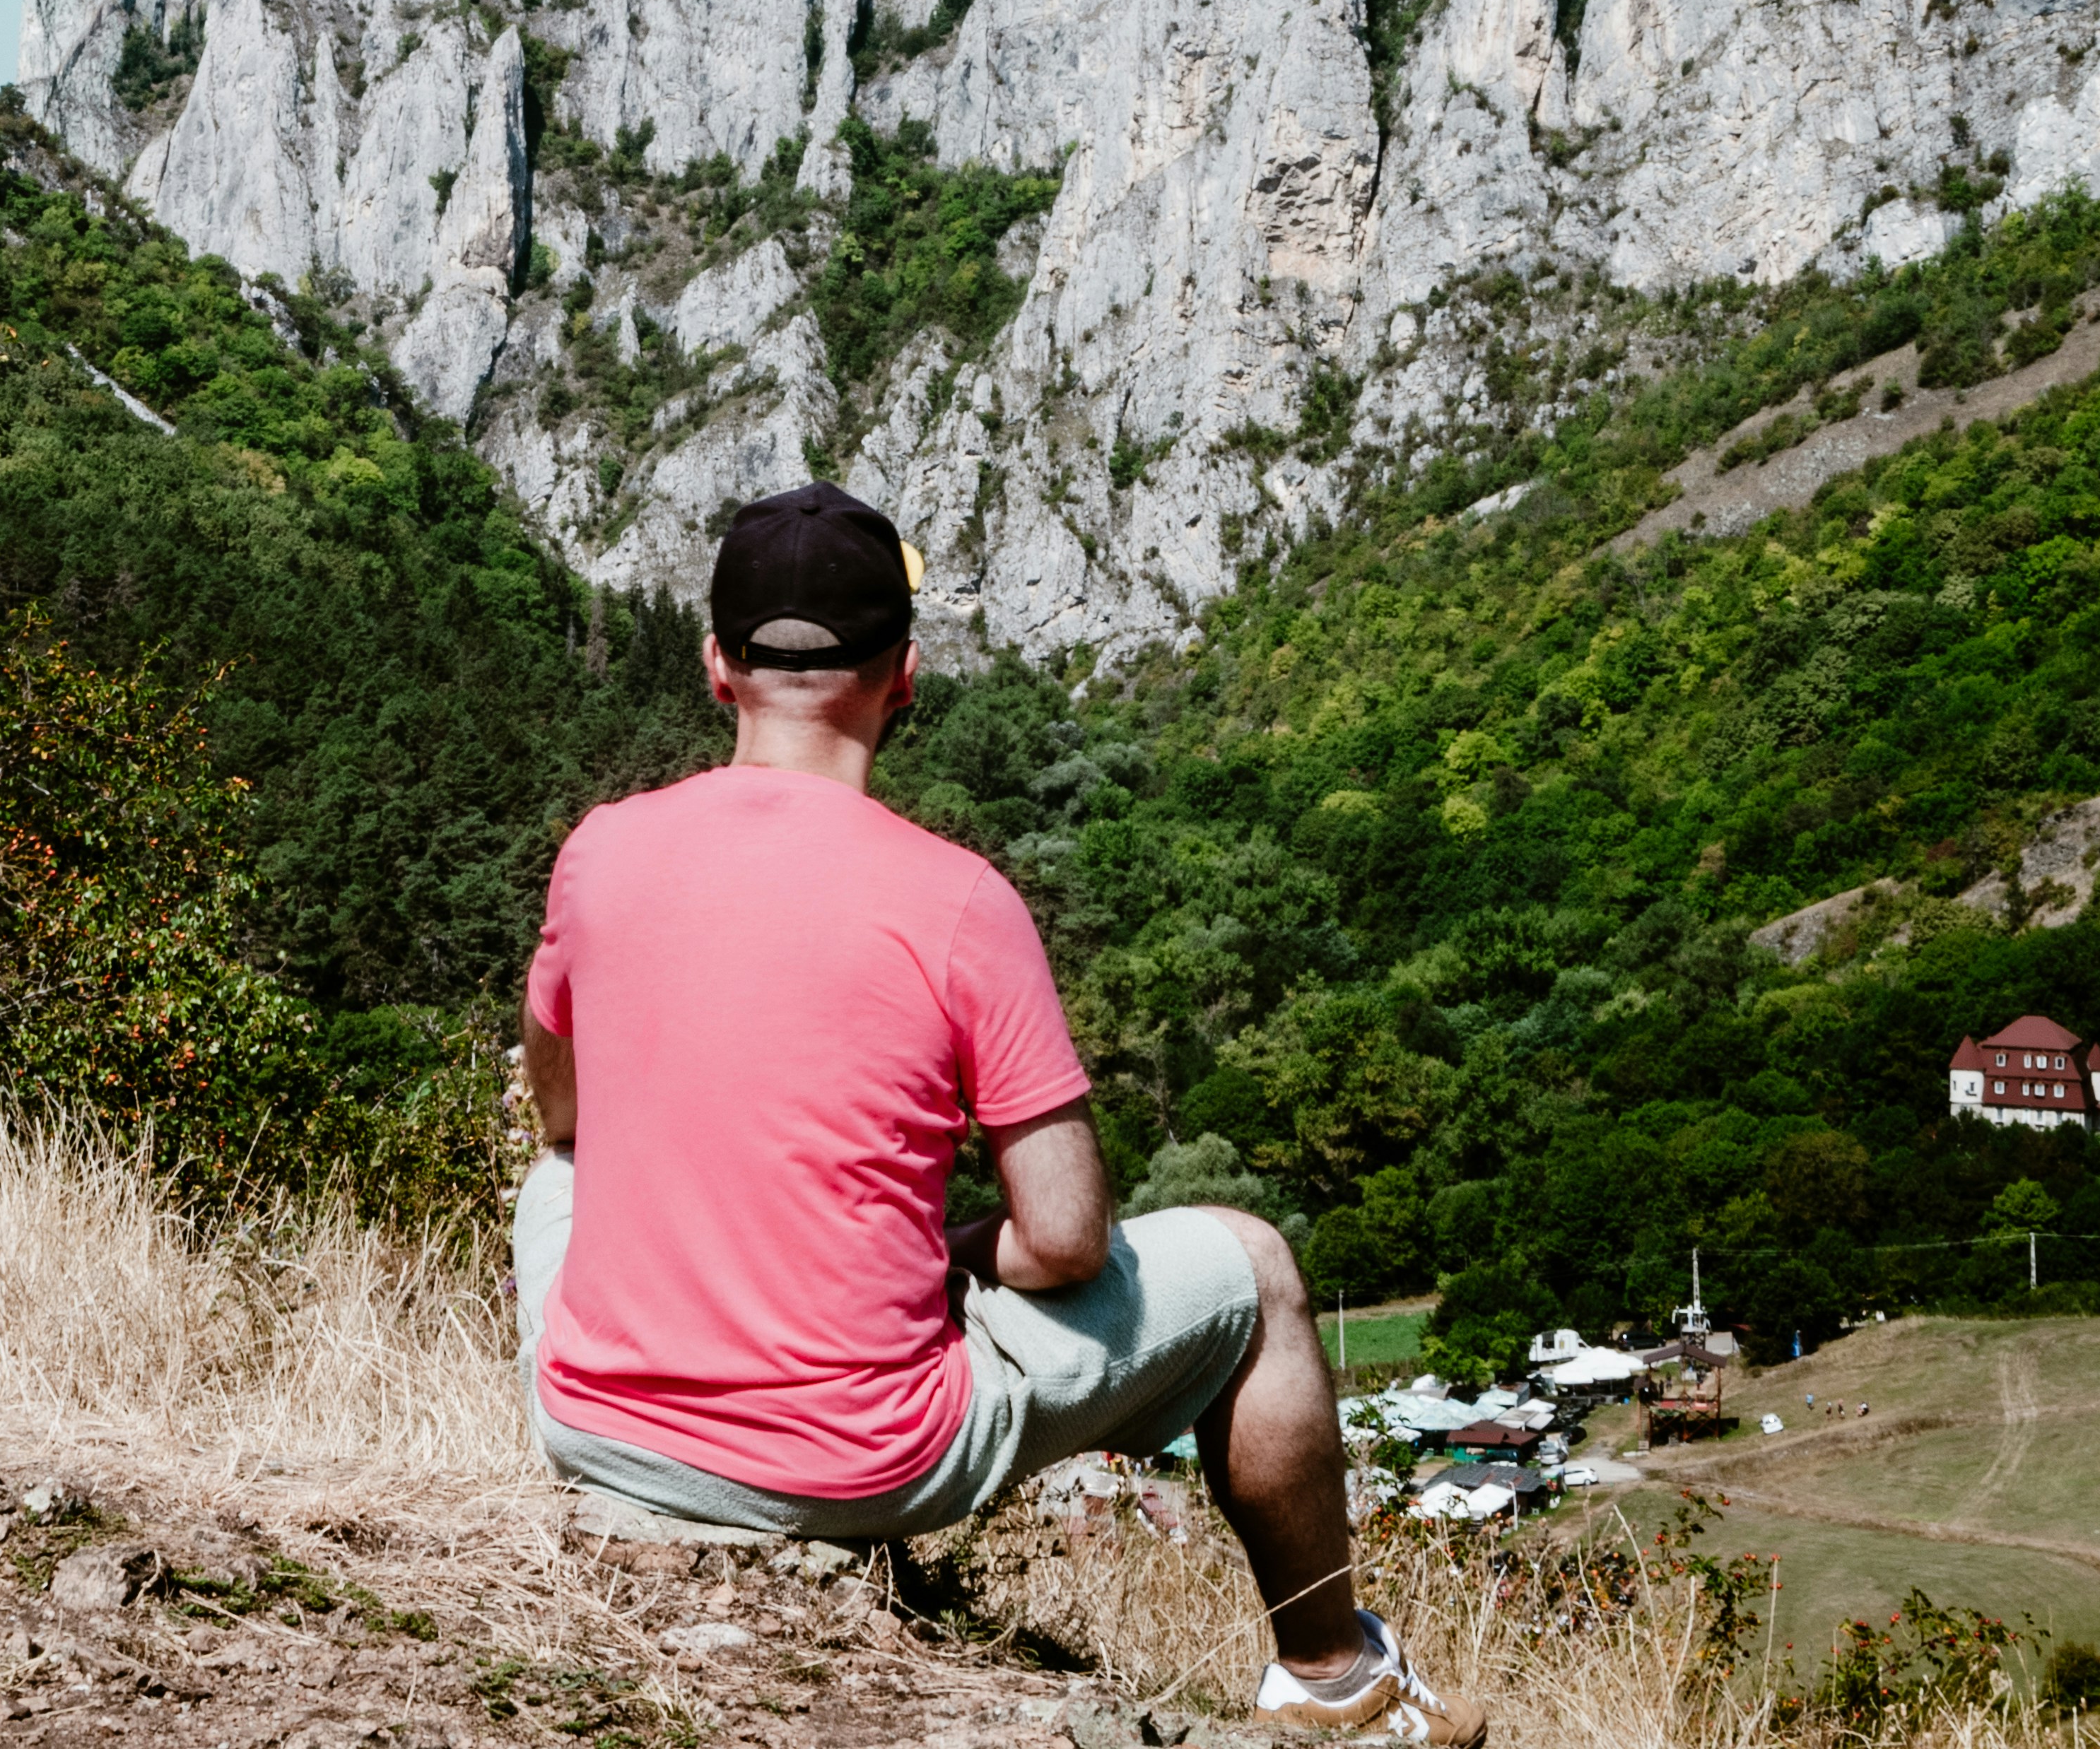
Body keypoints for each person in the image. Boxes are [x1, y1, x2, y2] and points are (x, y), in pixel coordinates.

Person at [513, 484, 1487, 1747]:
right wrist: (944, 1252)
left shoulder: (600, 849)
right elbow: (1071, 1235)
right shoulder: (961, 902)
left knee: (563, 1177)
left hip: (598, 1437)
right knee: (1256, 1268)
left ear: (716, 665)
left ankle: (663, 1406)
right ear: (904, 677)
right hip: (858, 1463)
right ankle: (1332, 1671)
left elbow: (562, 1109)